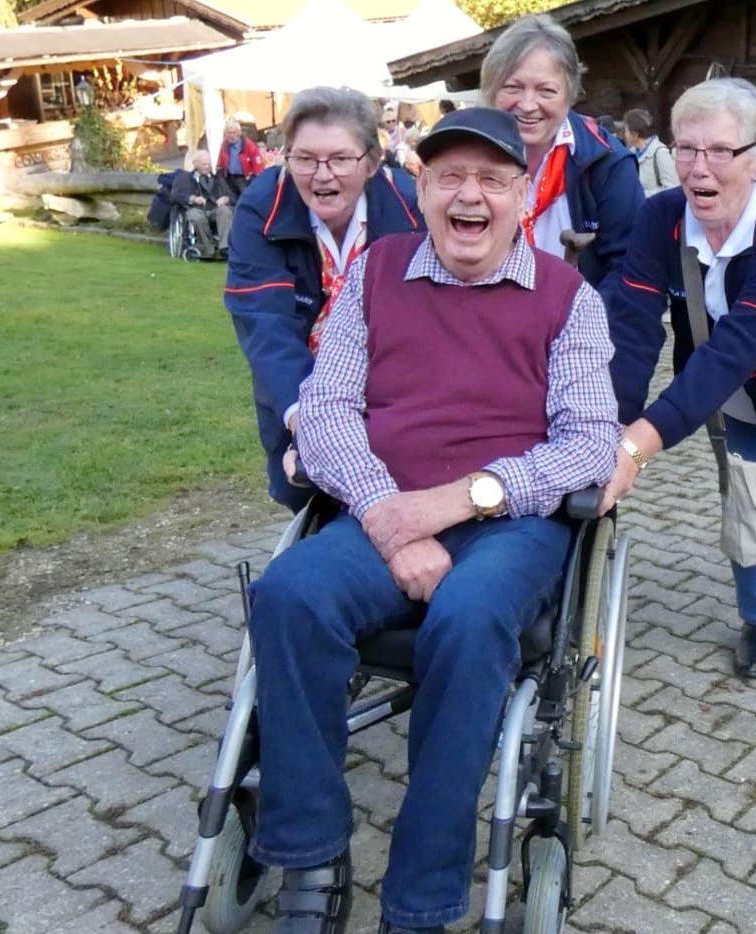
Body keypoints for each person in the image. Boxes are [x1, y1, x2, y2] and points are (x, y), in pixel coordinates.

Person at [247, 106, 620, 934]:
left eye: (492, 178)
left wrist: (464, 499)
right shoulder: (377, 275)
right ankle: (309, 855)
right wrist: (387, 515)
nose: (470, 195)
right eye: (449, 175)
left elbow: (591, 442)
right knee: (287, 596)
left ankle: (420, 895)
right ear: (418, 191)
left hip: (509, 523)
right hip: (385, 503)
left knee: (471, 614)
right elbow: (329, 406)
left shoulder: (567, 298)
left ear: (524, 196)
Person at [602, 78, 756, 679]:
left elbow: (732, 355)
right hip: (720, 377)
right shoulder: (659, 217)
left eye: (719, 151)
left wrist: (636, 448)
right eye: (685, 148)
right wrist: (607, 424)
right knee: (749, 496)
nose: (696, 168)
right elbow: (633, 326)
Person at [224, 86, 424, 513]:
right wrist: (311, 426)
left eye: (339, 158)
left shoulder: (412, 208)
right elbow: (264, 324)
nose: (322, 174)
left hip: (395, 390)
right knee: (309, 497)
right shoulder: (262, 208)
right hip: (298, 388)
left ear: (371, 161)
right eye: (305, 158)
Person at [482, 13, 642, 286]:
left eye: (546, 91)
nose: (528, 104)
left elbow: (629, 269)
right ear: (492, 90)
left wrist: (581, 325)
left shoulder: (608, 163)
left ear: (570, 95)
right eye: (512, 87)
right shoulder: (464, 156)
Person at [172, 149, 233, 259]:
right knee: (196, 216)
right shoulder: (185, 178)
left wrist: (225, 198)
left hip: (214, 208)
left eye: (209, 164)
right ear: (195, 164)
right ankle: (208, 247)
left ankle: (225, 247)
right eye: (204, 164)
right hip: (196, 208)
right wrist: (193, 198)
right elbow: (176, 195)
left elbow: (229, 194)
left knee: (225, 211)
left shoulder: (217, 178)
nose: (207, 167)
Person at [622, 107, 676, 197]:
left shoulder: (660, 153)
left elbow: (672, 188)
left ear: (635, 134)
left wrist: (640, 195)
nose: (625, 135)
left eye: (626, 131)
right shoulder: (631, 153)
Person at [218, 115, 265, 202]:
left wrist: (254, 179)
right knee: (231, 200)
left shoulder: (248, 145)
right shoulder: (224, 144)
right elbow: (220, 162)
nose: (231, 135)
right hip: (229, 178)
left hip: (244, 178)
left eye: (234, 133)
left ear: (239, 132)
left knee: (245, 200)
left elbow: (258, 165)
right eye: (229, 133)